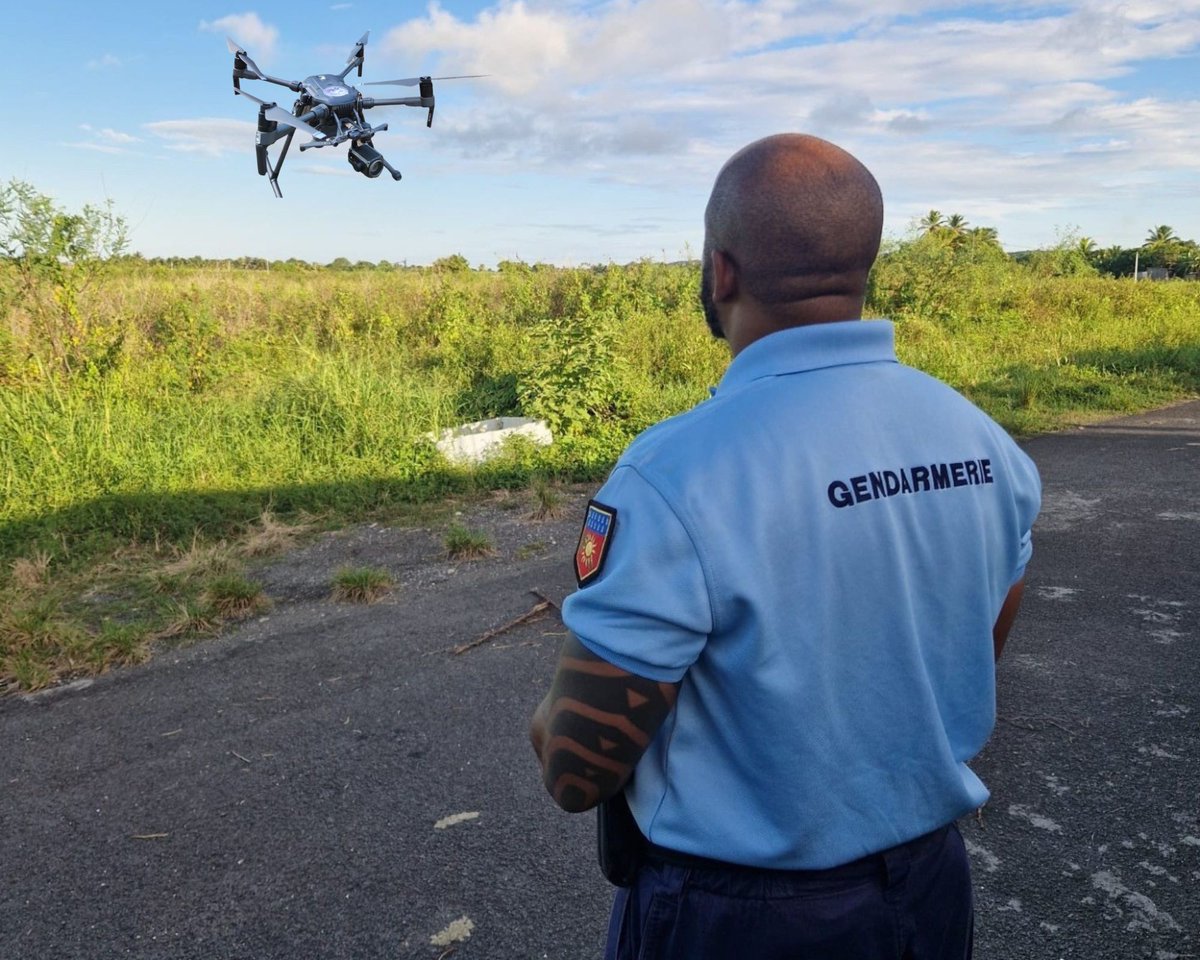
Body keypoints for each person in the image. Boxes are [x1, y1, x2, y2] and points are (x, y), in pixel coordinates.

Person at [529, 133, 1041, 959]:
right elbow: (974, 647)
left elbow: (578, 771)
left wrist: (550, 724)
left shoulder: (676, 474)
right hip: (930, 893)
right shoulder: (980, 441)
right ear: (862, 268)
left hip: (738, 919)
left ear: (721, 269)